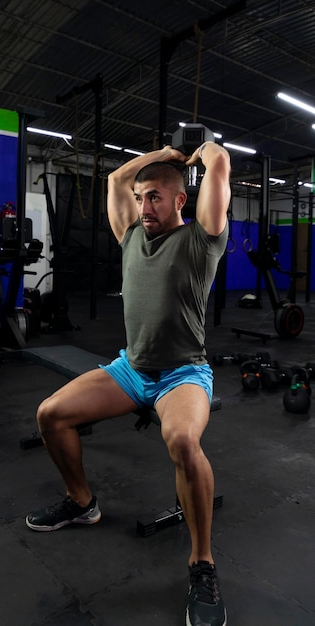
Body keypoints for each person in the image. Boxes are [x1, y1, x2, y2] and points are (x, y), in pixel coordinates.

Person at [26, 140, 231, 626]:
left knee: (181, 438)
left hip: (183, 371)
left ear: (182, 200)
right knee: (50, 414)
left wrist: (195, 153)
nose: (144, 207)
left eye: (155, 197)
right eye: (142, 199)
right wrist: (156, 154)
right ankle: (82, 503)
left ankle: (202, 562)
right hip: (131, 368)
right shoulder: (130, 236)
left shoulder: (204, 238)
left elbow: (219, 162)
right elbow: (117, 180)